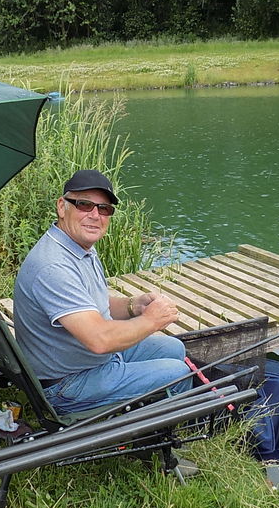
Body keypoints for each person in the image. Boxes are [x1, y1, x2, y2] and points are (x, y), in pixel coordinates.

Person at [13, 169, 193, 417]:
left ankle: (149, 410)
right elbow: (100, 340)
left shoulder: (78, 246)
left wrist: (133, 306)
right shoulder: (53, 265)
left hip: (84, 361)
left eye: (104, 209)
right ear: (62, 207)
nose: (95, 215)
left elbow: (91, 306)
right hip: (66, 384)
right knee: (178, 373)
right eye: (84, 205)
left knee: (174, 349)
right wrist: (150, 320)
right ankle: (166, 434)